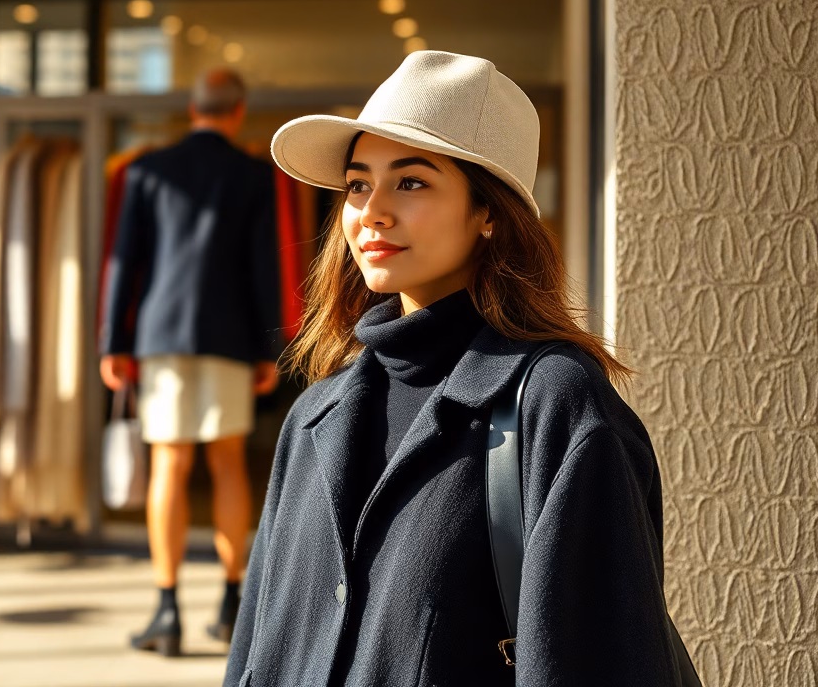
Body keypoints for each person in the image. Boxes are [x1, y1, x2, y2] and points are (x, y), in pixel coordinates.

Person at [223, 51, 688, 685]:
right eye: (357, 184)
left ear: (489, 212)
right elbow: (254, 654)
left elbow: (601, 659)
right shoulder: (315, 415)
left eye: (411, 182)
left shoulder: (556, 406)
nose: (371, 210)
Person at [100, 68, 283, 658]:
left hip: (163, 336)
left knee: (170, 467)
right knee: (228, 465)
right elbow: (264, 264)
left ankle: (167, 609)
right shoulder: (253, 173)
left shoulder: (149, 169)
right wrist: (268, 347)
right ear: (238, 110)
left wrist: (113, 341)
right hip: (230, 335)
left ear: (192, 108)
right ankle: (231, 604)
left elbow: (123, 261)